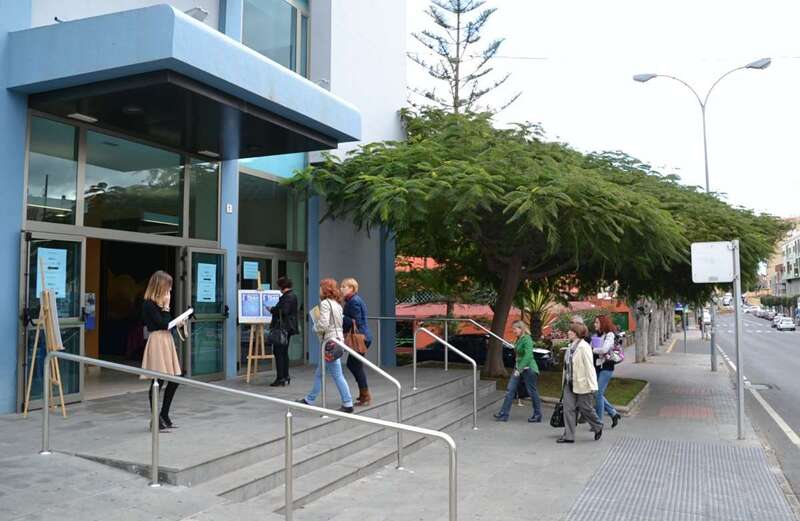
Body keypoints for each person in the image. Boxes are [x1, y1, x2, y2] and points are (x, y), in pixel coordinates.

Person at [298, 278, 354, 413]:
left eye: (320, 287)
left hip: (329, 342)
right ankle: (310, 399)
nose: (318, 290)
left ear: (325, 289)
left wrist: (314, 327)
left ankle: (347, 402)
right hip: (337, 340)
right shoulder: (337, 304)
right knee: (320, 373)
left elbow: (323, 324)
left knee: (336, 374)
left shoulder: (325, 304)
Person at [141, 270, 185, 432]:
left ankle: (164, 415)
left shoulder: (160, 304)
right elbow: (162, 323)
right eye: (168, 287)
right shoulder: (149, 304)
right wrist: (166, 307)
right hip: (158, 340)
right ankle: (155, 419)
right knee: (157, 382)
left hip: (166, 340)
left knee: (175, 378)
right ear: (160, 286)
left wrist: (178, 321)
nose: (170, 291)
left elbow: (168, 322)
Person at [558, 323, 603, 443]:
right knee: (568, 409)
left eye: (571, 331)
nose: (568, 332)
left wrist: (593, 386)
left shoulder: (584, 347)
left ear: (577, 333)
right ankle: (569, 436)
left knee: (585, 408)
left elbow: (589, 367)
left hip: (582, 383)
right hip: (569, 383)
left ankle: (598, 426)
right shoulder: (570, 346)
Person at [493, 321, 543, 422]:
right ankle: (503, 414)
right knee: (510, 390)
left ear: (521, 329)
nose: (513, 331)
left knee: (532, 391)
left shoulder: (527, 339)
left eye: (515, 329)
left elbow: (528, 355)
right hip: (518, 368)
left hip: (529, 369)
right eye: (513, 329)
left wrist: (519, 369)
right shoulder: (519, 339)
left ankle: (538, 414)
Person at [340, 278, 373, 406]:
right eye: (341, 286)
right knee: (355, 365)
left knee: (354, 365)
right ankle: (363, 393)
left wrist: (341, 317)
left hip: (360, 338)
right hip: (363, 337)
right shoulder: (354, 300)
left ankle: (365, 395)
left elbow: (356, 322)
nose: (341, 288)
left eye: (344, 286)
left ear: (352, 288)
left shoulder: (352, 302)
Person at [591, 315, 622, 428]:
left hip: (607, 367)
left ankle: (598, 423)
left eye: (597, 322)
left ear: (603, 323)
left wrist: (592, 349)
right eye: (595, 322)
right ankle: (613, 413)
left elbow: (604, 349)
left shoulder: (610, 335)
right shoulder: (597, 335)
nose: (595, 324)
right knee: (596, 393)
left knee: (598, 394)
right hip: (598, 366)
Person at [269, 277, 299, 387]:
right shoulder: (293, 295)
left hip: (283, 328)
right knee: (284, 352)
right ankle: (285, 376)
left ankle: (280, 377)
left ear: (282, 286)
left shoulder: (287, 297)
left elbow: (284, 311)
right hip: (288, 328)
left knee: (279, 352)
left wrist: (272, 309)